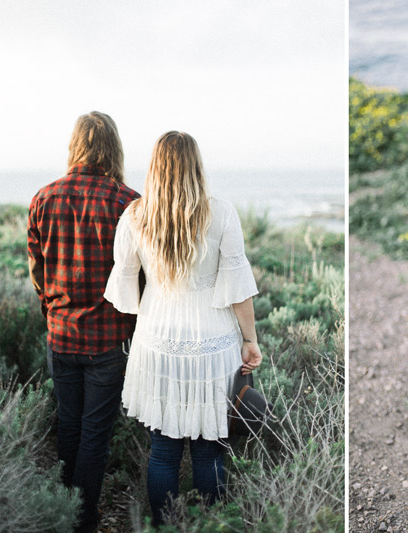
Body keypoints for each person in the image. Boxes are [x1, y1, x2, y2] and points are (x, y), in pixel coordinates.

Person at [103, 131, 262, 526]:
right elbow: (239, 288)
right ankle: (212, 525)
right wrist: (251, 340)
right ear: (196, 165)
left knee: (163, 450)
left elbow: (124, 285)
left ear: (155, 168)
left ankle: (163, 526)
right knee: (210, 449)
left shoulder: (136, 215)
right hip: (214, 339)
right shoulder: (221, 212)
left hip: (157, 338)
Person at [27, 111, 140, 533]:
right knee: (94, 432)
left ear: (75, 145)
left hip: (62, 333)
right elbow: (140, 275)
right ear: (113, 146)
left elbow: (38, 271)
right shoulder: (128, 202)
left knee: (69, 426)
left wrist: (53, 312)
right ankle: (83, 520)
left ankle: (66, 512)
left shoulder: (44, 197)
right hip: (109, 338)